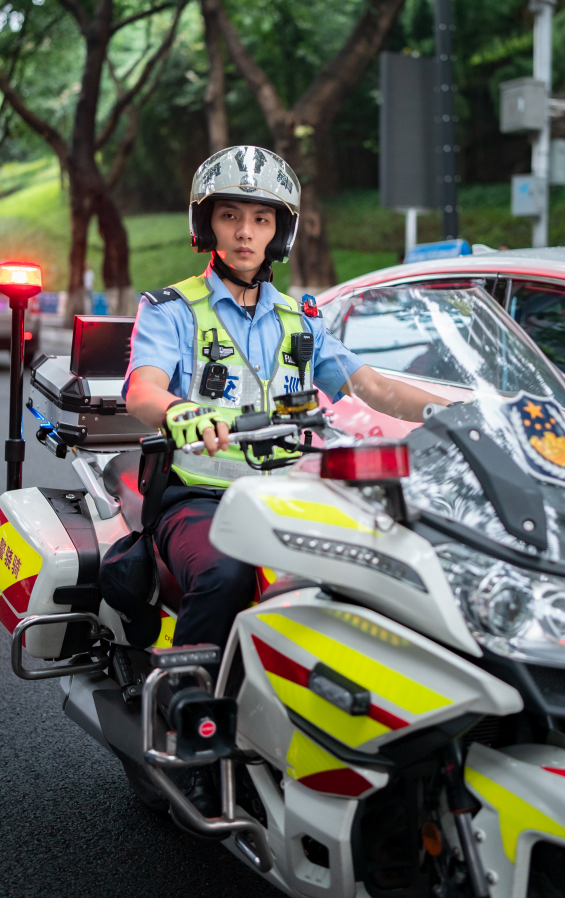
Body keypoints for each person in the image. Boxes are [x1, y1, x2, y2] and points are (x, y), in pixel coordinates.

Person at [122, 146, 448, 814]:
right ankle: (191, 728)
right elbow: (142, 389)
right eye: (231, 216)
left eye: (262, 219)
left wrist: (464, 414)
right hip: (203, 498)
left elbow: (373, 386)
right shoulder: (173, 309)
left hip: (289, 497)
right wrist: (179, 409)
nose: (246, 233)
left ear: (281, 231)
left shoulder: (300, 321)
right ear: (206, 224)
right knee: (224, 575)